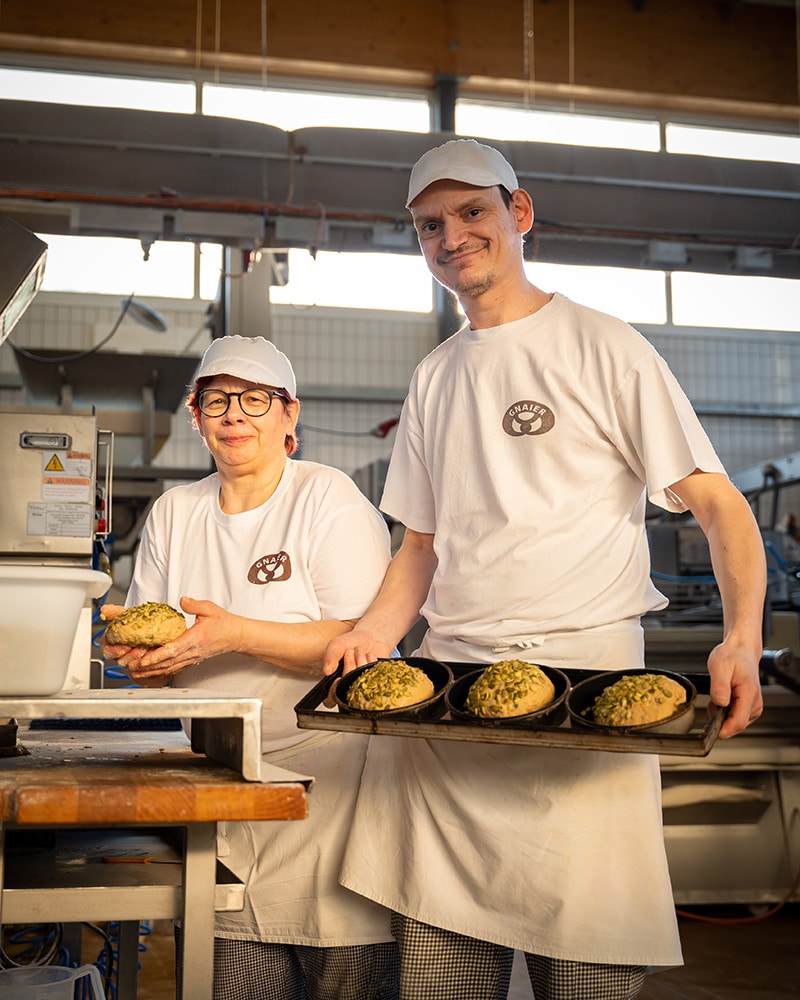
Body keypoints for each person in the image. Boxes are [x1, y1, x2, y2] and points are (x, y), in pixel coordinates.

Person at [322, 139, 766, 1000]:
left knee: (588, 975)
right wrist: (372, 634)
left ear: (519, 214)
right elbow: (421, 544)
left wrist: (741, 638)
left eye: (472, 213)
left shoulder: (605, 346)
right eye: (429, 225)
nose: (451, 237)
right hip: (451, 709)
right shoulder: (435, 376)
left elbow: (718, 504)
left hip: (589, 702)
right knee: (442, 978)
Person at [101, 334, 400, 1000]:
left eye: (255, 399)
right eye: (217, 400)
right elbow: (160, 651)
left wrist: (231, 635)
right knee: (229, 976)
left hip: (333, 796)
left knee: (344, 978)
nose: (234, 414)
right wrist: (137, 659)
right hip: (221, 795)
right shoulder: (175, 512)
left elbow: (359, 638)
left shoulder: (327, 498)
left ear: (289, 415)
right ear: (195, 413)